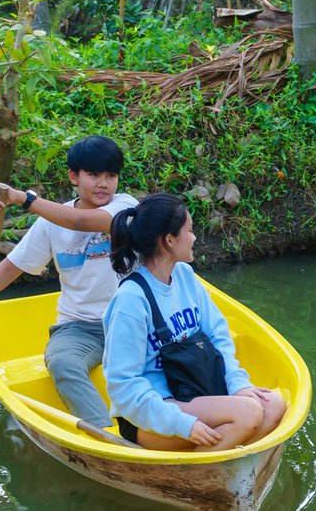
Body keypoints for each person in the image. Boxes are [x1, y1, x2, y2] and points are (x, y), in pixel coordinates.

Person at [0, 135, 137, 428]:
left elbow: (81, 222)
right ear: (73, 176)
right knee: (62, 363)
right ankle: (104, 433)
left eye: (111, 175)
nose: (103, 183)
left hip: (131, 320)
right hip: (79, 327)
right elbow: (10, 267)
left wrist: (23, 198)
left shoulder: (125, 207)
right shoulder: (49, 223)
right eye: (93, 174)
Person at [102, 193, 286, 450]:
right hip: (152, 413)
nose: (195, 238)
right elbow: (124, 386)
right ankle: (199, 477)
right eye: (189, 230)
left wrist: (237, 385)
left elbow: (218, 334)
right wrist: (182, 424)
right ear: (169, 240)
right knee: (248, 414)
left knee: (273, 404)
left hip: (194, 392)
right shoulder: (131, 300)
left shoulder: (185, 276)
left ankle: (217, 461)